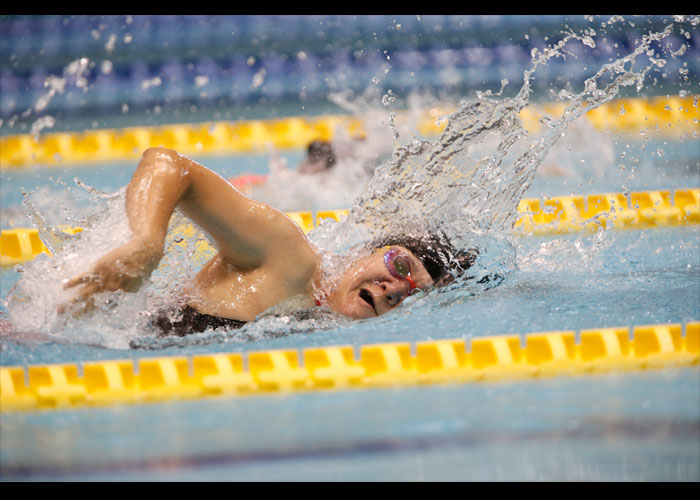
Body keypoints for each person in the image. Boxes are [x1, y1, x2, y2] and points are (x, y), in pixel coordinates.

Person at [60, 147, 475, 336]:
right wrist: (148, 243)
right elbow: (168, 165)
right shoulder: (290, 259)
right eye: (399, 266)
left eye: (412, 294)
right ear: (362, 253)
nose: (396, 288)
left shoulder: (320, 325)